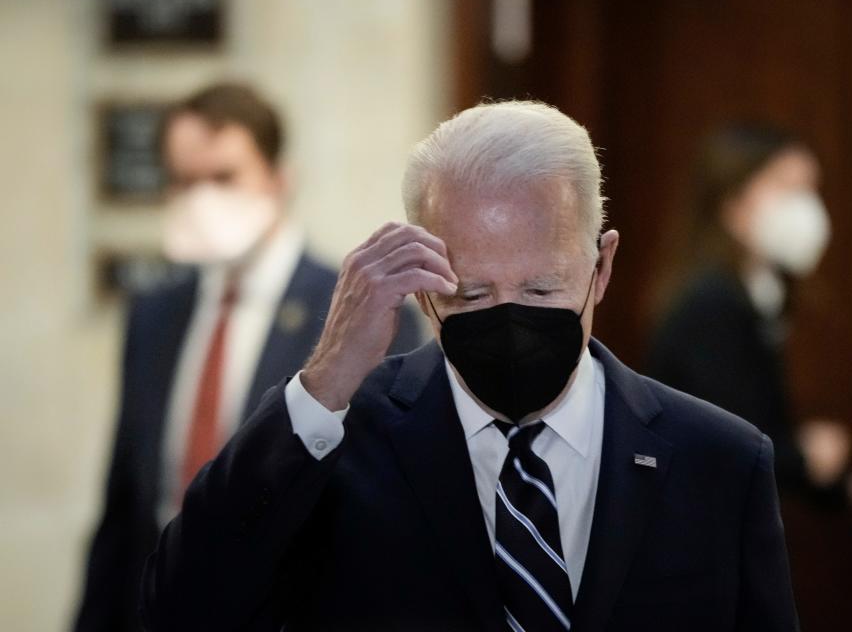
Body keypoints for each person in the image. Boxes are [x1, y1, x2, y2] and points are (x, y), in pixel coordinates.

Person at [140, 101, 799, 631]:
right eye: (473, 294)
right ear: (425, 287)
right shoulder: (343, 445)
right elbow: (182, 604)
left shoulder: (720, 461)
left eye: (542, 289)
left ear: (602, 267)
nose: (510, 320)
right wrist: (326, 379)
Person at [74, 82, 423, 632]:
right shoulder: (154, 313)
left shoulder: (358, 311)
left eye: (223, 178)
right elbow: (124, 507)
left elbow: (380, 514)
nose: (201, 199)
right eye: (185, 181)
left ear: (279, 181)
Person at [646, 124, 852, 521]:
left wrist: (844, 485)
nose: (805, 208)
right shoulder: (710, 304)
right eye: (787, 188)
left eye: (809, 190)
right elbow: (723, 443)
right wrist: (805, 456)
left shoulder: (755, 294)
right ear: (732, 202)